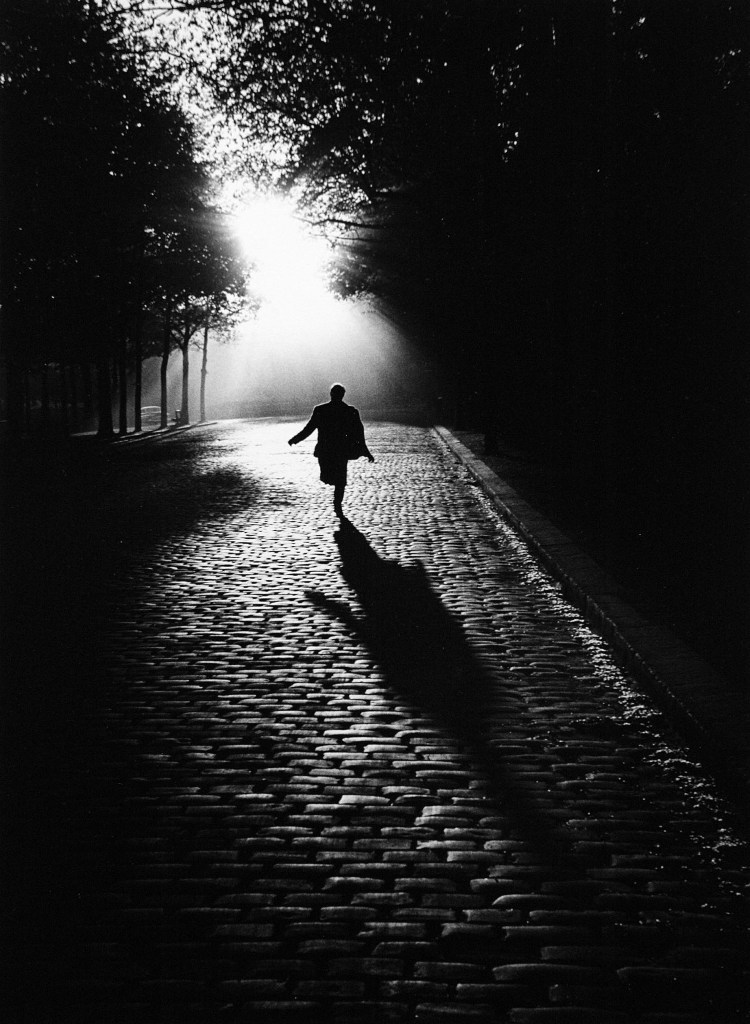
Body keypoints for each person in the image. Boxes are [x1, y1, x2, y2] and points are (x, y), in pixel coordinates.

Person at [288, 383, 374, 517]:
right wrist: (365, 451)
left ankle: (337, 503)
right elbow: (359, 434)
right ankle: (337, 500)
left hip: (327, 450)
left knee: (336, 478)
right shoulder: (350, 411)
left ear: (331, 394)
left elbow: (309, 429)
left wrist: (295, 439)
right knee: (336, 478)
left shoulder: (321, 410)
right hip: (340, 450)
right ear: (342, 395)